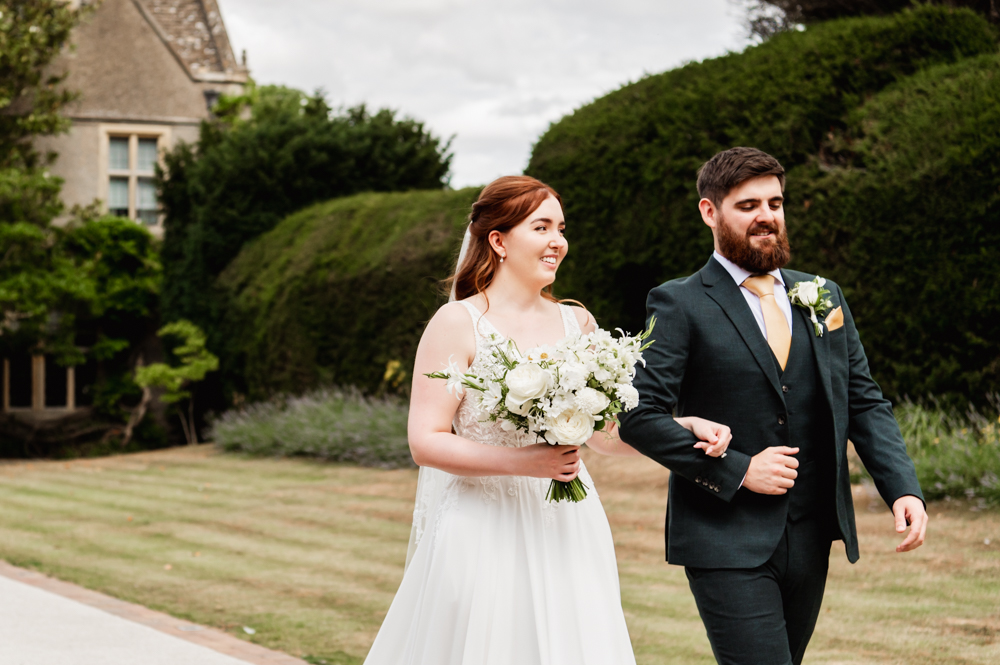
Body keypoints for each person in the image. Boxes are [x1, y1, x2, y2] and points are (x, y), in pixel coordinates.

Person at [363, 175, 732, 665]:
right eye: (541, 227)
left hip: (567, 523)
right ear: (498, 240)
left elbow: (604, 434)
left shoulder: (576, 322)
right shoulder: (457, 323)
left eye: (561, 227)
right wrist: (523, 463)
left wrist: (677, 427)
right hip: (481, 526)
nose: (557, 241)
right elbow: (425, 443)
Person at [618, 147, 928, 665]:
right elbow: (638, 416)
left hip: (811, 534)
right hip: (724, 535)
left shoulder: (822, 295)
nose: (766, 216)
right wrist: (739, 469)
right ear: (709, 212)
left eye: (775, 202)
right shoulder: (679, 303)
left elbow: (864, 401)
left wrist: (902, 487)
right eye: (747, 205)